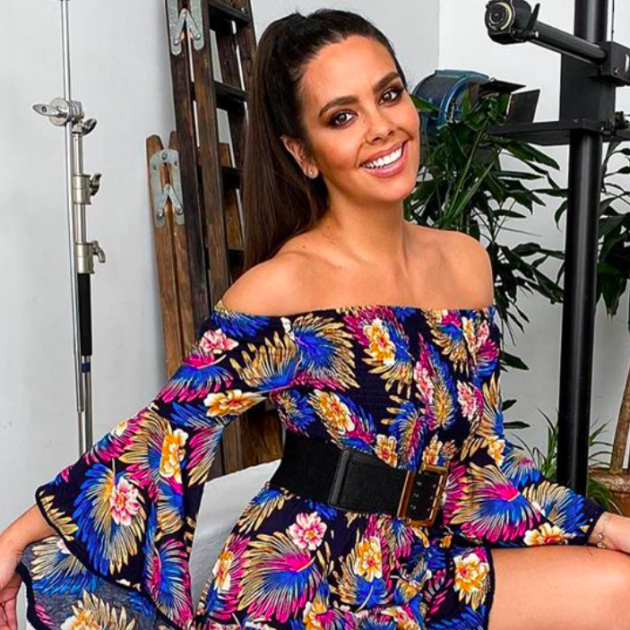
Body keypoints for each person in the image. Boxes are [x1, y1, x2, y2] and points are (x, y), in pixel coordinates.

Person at [2, 7, 630, 630]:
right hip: (311, 580)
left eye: (389, 94)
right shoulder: (284, 287)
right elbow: (163, 437)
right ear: (303, 153)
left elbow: (481, 460)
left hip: (429, 562)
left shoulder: (465, 264)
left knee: (620, 588)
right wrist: (13, 541)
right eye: (342, 116)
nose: (381, 127)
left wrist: (603, 525)